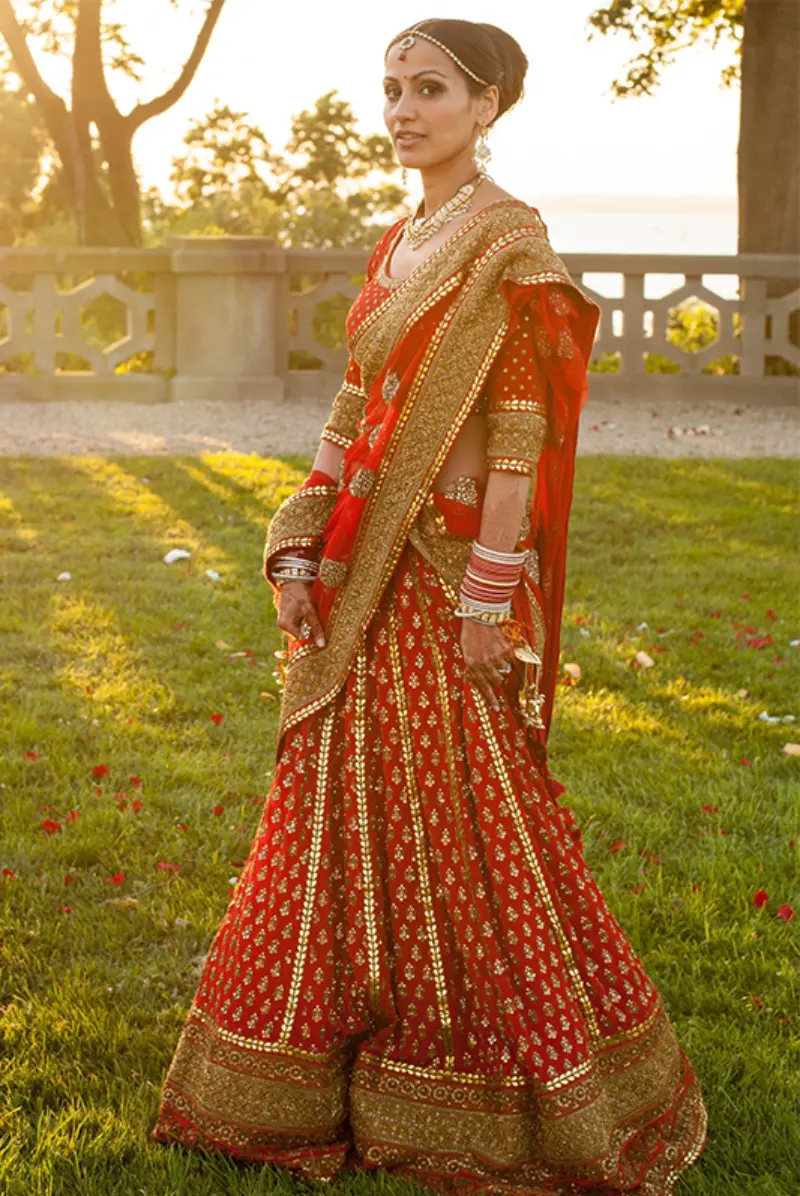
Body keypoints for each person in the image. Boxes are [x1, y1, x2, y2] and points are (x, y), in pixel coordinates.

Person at [151, 18, 708, 1194]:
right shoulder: (396, 243)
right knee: (339, 810)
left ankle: (501, 1072)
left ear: (488, 105)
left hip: (450, 572)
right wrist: (298, 541)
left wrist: (487, 599)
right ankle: (321, 1061)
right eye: (392, 88)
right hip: (363, 577)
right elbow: (350, 413)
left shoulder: (509, 244)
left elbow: (518, 438)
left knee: (473, 812)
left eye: (431, 91)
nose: (404, 110)